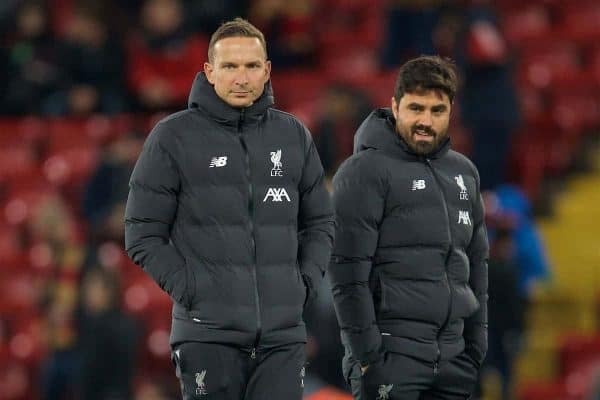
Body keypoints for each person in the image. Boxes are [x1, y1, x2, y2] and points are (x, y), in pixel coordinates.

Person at [124, 17, 334, 400]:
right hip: (207, 335)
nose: (242, 77)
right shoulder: (173, 137)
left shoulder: (293, 136)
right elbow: (141, 233)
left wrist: (302, 284)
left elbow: (320, 221)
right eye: (230, 66)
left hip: (282, 337)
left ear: (267, 70)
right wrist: (192, 290)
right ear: (209, 71)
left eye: (252, 66)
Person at [329, 56, 488, 399]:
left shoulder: (465, 173)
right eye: (416, 108)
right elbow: (346, 275)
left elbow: (476, 266)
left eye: (437, 110)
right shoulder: (362, 173)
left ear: (451, 111)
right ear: (394, 106)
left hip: (453, 362)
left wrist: (474, 348)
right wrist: (369, 357)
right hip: (390, 361)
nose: (425, 121)